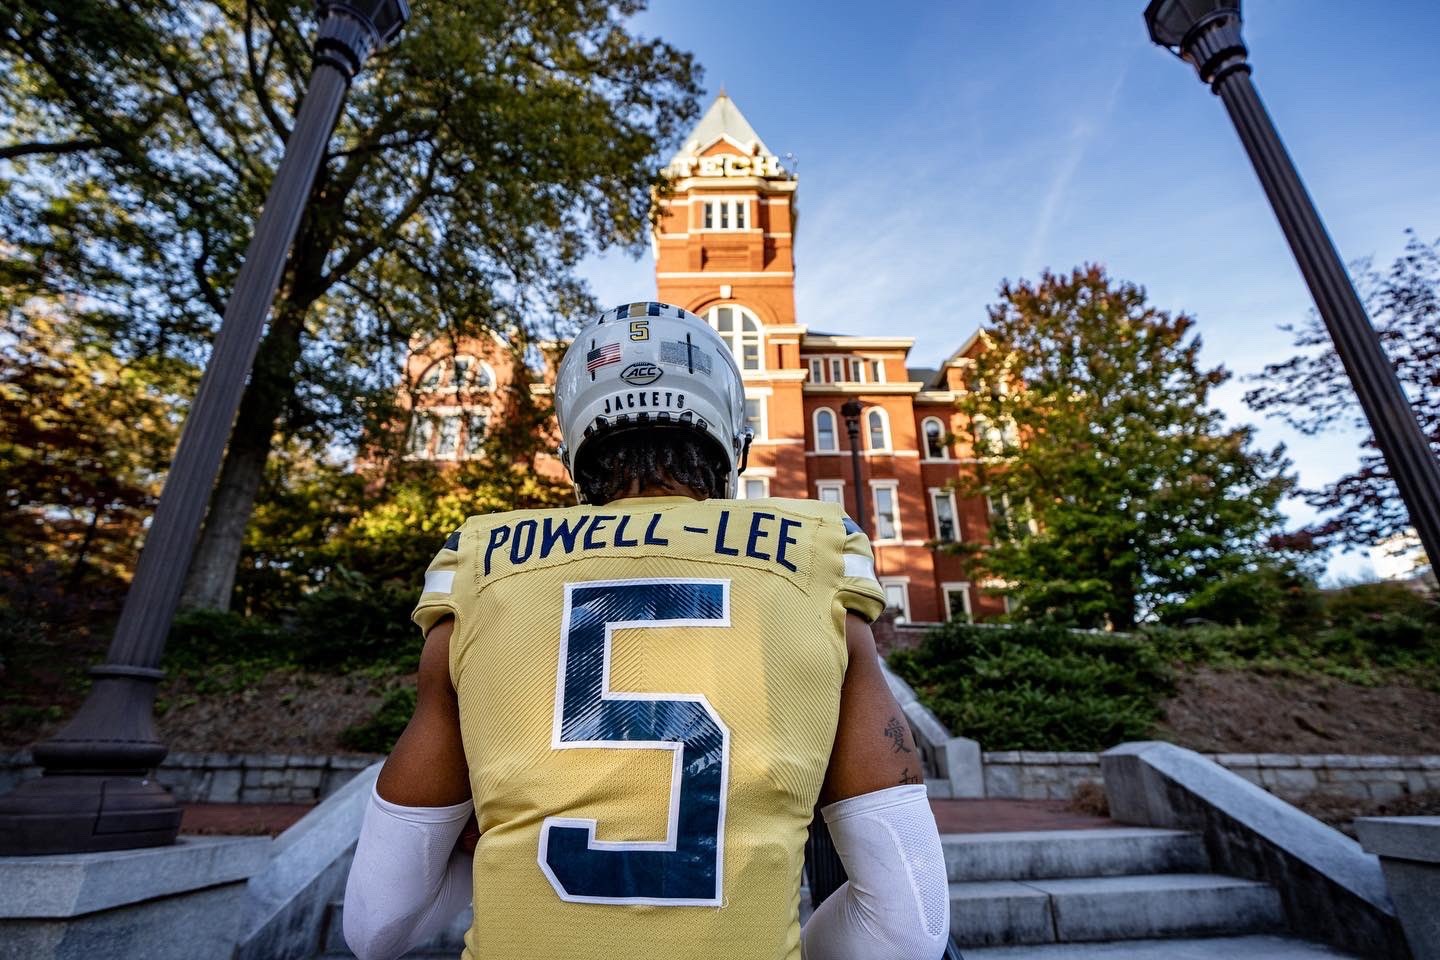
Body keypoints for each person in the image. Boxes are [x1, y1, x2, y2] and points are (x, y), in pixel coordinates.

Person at [343, 302, 950, 960]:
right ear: (731, 439)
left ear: (575, 442)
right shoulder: (817, 554)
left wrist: (496, 836)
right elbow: (908, 929)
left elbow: (377, 924)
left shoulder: (478, 565)